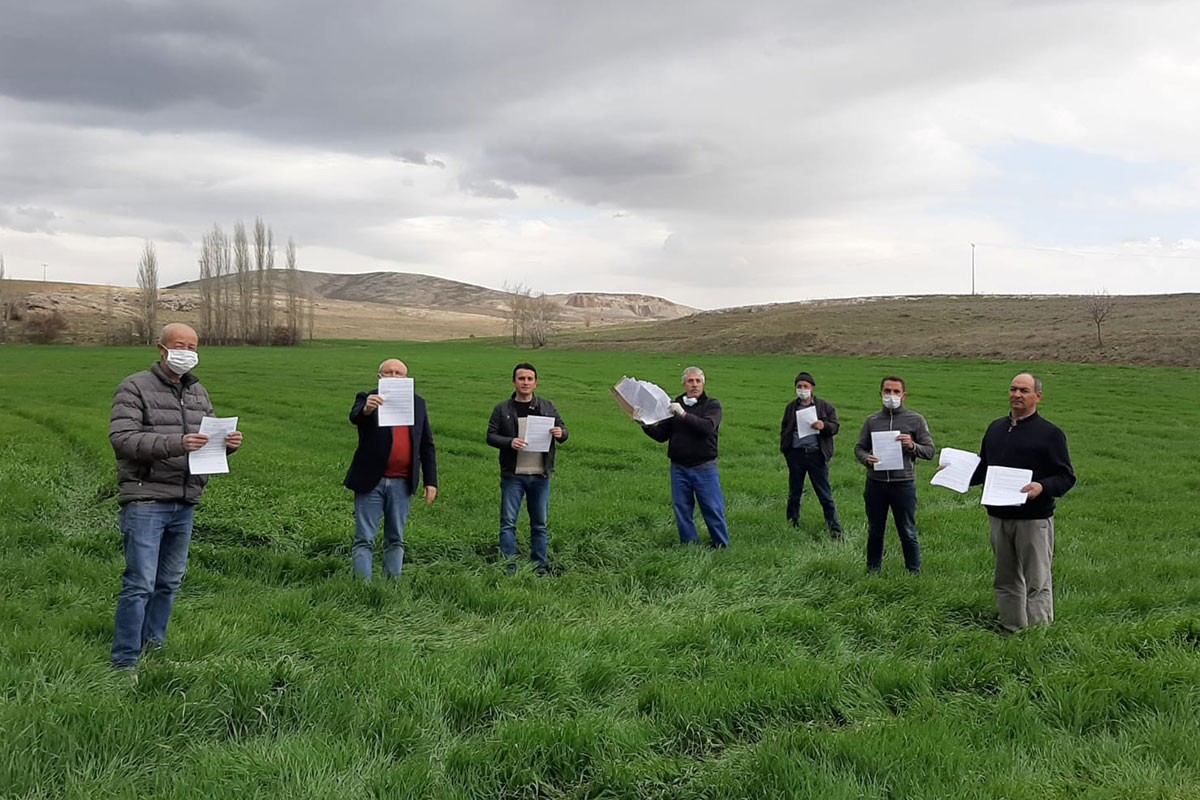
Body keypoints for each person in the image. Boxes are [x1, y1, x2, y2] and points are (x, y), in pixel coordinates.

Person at [108, 322, 243, 672]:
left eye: (193, 345)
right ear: (161, 348)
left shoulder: (198, 393)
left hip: (185, 499)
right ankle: (125, 661)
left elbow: (206, 443)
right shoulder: (134, 387)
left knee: (168, 582)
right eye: (179, 344)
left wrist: (227, 446)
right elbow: (123, 439)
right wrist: (175, 443)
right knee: (140, 582)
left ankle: (154, 649)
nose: (186, 351)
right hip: (146, 498)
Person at [970, 373, 1075, 632]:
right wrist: (956, 473)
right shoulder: (995, 428)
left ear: (1038, 397)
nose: (1017, 395)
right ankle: (1011, 626)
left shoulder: (1050, 434)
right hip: (998, 516)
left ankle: (1038, 633)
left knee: (1037, 580)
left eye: (1024, 390)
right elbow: (984, 467)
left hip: (1033, 518)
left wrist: (1042, 487)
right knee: (1005, 578)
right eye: (1013, 389)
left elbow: (1066, 476)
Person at [343, 359, 438, 581]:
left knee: (396, 538)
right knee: (365, 538)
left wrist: (430, 481)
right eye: (388, 373)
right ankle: (362, 587)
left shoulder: (418, 404)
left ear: (406, 378)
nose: (393, 376)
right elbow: (355, 416)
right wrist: (368, 409)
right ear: (379, 377)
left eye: (398, 373)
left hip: (402, 482)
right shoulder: (367, 399)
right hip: (371, 481)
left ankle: (391, 585)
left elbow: (426, 445)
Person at [486, 363, 568, 574]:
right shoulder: (502, 409)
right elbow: (491, 436)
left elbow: (564, 431)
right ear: (514, 382)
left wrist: (561, 433)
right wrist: (509, 442)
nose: (525, 382)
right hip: (513, 474)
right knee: (508, 523)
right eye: (521, 379)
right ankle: (508, 566)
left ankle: (539, 565)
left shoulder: (547, 407)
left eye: (529, 379)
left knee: (539, 524)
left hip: (540, 475)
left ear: (536, 383)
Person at [642, 366, 730, 548]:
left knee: (712, 508)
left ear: (703, 384)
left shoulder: (712, 405)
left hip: (704, 467)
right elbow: (661, 436)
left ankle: (721, 546)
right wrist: (644, 424)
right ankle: (689, 546)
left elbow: (707, 427)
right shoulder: (675, 404)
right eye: (690, 381)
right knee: (682, 509)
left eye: (698, 381)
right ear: (684, 384)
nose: (694, 385)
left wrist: (682, 414)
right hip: (679, 468)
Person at [853, 376, 934, 574]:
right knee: (875, 530)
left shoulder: (915, 420)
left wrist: (912, 446)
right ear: (880, 393)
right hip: (875, 484)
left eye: (896, 392)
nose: (891, 395)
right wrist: (866, 458)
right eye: (887, 391)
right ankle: (873, 570)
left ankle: (913, 572)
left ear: (904, 395)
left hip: (903, 484)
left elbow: (930, 451)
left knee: (907, 531)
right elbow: (859, 448)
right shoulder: (872, 421)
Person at [779, 370, 842, 539]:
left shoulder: (824, 407)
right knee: (794, 492)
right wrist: (786, 449)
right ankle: (792, 524)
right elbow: (784, 429)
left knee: (824, 493)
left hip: (816, 455)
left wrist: (824, 426)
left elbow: (835, 426)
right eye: (799, 386)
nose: (802, 389)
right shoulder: (791, 407)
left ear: (812, 388)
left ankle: (834, 528)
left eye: (805, 386)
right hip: (796, 455)